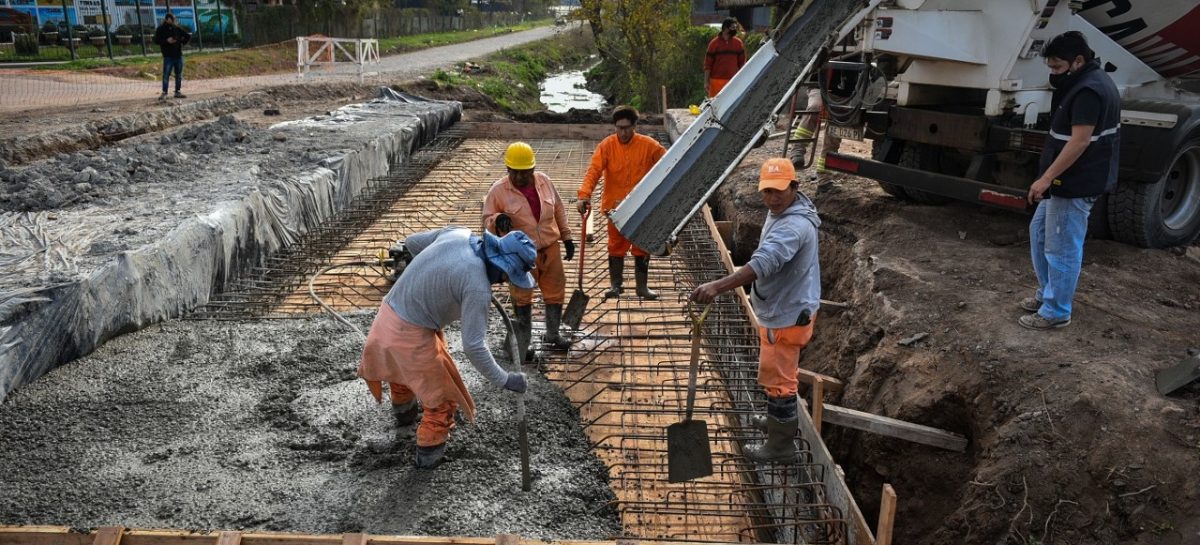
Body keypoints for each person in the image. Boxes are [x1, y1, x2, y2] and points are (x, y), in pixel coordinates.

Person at [358, 226, 537, 468]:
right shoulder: (477, 288)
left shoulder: (459, 234)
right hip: (409, 335)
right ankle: (427, 462)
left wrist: (432, 275)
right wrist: (505, 379)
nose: (505, 282)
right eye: (507, 275)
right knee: (442, 400)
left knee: (403, 370)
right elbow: (474, 347)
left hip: (387, 317)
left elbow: (411, 243)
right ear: (500, 264)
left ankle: (404, 416)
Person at [690, 158, 821, 463]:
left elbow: (762, 264)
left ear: (794, 187)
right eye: (767, 191)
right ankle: (777, 424)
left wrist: (717, 286)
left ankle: (781, 447)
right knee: (776, 373)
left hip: (787, 314)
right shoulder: (788, 210)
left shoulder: (793, 226)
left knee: (780, 382)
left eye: (778, 191)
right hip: (784, 305)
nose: (772, 198)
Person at [1021, 31, 1119, 330]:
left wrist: (1047, 177)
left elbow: (1079, 142)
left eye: (1057, 67)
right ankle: (1047, 294)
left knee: (1061, 247)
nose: (1053, 73)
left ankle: (1056, 311)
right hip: (1063, 179)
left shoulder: (1089, 90)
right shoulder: (1082, 82)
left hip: (1074, 182)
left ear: (1078, 61)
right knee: (1039, 232)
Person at [483, 142, 576, 357]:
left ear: (532, 169)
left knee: (555, 292)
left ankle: (553, 334)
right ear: (507, 170)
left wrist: (567, 236)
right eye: (514, 172)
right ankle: (521, 344)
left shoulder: (545, 182)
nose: (519, 177)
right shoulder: (498, 191)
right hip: (521, 255)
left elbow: (559, 209)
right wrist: (498, 219)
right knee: (522, 297)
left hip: (549, 248)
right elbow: (487, 219)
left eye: (524, 173)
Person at [577, 105, 667, 300]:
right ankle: (616, 285)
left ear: (635, 126)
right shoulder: (607, 146)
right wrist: (584, 195)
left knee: (641, 245)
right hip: (615, 208)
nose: (623, 132)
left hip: (641, 207)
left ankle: (641, 287)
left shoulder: (649, 145)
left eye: (626, 127)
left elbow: (669, 163)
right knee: (616, 246)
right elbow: (594, 171)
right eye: (619, 127)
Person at [704, 17, 746, 98]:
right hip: (716, 81)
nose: (734, 30)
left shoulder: (738, 43)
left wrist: (742, 79)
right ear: (726, 28)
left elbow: (742, 63)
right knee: (715, 105)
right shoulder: (714, 44)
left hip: (733, 81)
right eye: (732, 27)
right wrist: (706, 82)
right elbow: (707, 64)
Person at [153, 13, 191, 100]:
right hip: (168, 56)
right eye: (171, 19)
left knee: (178, 75)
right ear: (166, 19)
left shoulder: (177, 29)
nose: (172, 21)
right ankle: (164, 92)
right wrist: (166, 41)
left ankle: (177, 91)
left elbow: (187, 36)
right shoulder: (161, 29)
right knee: (166, 74)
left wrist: (181, 42)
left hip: (178, 55)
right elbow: (156, 41)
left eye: (173, 19)